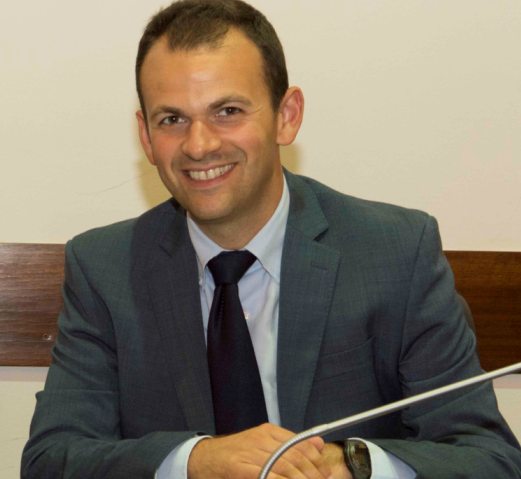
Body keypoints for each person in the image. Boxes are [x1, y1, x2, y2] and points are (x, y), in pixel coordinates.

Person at [22, 1, 521, 478]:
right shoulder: (103, 267)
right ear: (146, 137)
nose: (199, 144)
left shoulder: (396, 251)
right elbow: (51, 460)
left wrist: (351, 464)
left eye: (227, 111)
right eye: (172, 119)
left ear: (287, 115)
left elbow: (489, 459)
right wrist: (195, 462)